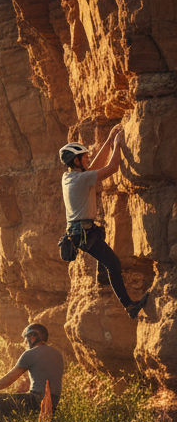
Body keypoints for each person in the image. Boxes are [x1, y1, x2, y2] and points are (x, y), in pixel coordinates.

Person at [59, 126, 149, 320]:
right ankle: (130, 306)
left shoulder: (69, 177)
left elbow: (92, 168)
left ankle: (102, 275)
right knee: (114, 264)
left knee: (102, 233)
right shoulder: (79, 180)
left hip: (80, 231)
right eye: (84, 157)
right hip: (83, 232)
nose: (88, 160)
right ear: (76, 160)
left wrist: (108, 141)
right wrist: (116, 146)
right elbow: (111, 168)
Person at [0, 322, 64, 422]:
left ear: (33, 337)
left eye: (26, 339)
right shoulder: (57, 354)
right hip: (54, 401)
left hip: (36, 400)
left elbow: (9, 379)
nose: (24, 342)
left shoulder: (30, 354)